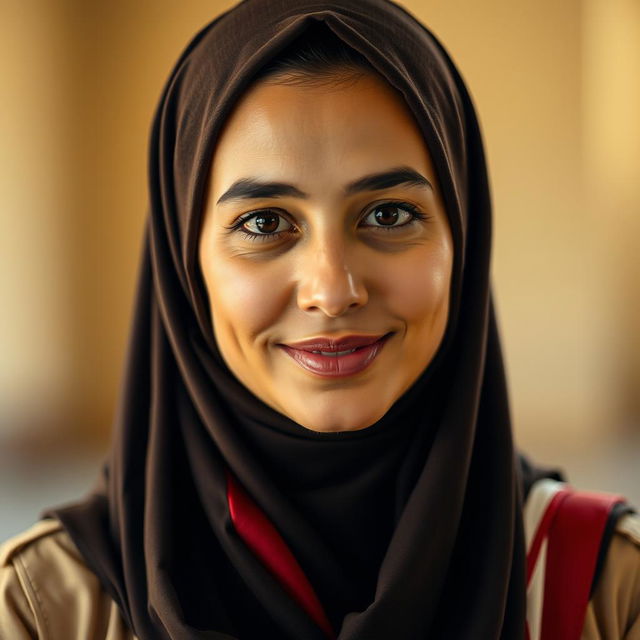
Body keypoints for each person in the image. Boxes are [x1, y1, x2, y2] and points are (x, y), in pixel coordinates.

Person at [1, 1, 638, 638]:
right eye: (264, 223)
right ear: (182, 262)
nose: (333, 292)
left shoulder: (606, 587)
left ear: (464, 242)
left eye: (388, 215)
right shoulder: (44, 607)